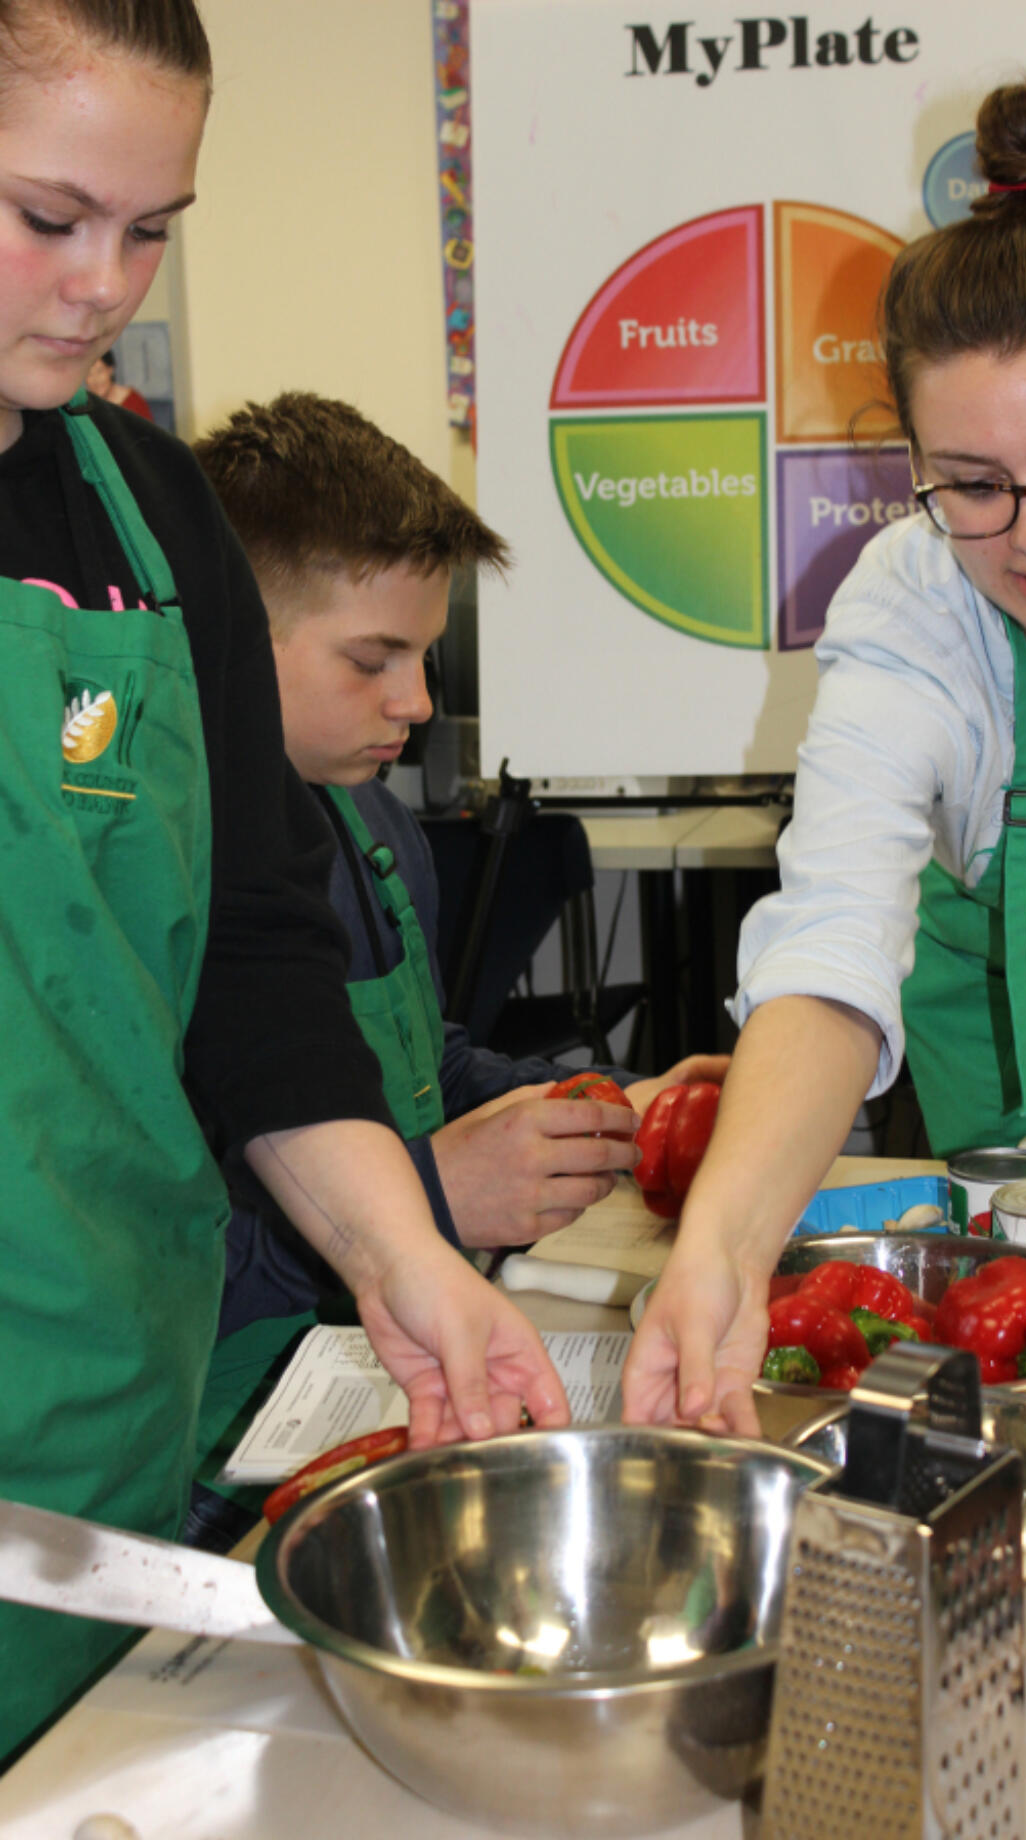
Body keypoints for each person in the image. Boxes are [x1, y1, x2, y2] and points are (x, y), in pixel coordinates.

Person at [0, 0, 567, 1762]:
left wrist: (401, 1263)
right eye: (47, 217)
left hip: (107, 1401)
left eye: (151, 229)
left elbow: (249, 954)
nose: (106, 285)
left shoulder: (155, 513)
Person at [622, 77, 1026, 1433]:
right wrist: (718, 1257)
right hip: (1018, 1099)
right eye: (967, 482)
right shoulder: (909, 610)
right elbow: (832, 940)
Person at [191, 392, 724, 1382]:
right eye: (371, 659)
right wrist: (428, 1196)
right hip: (217, 1427)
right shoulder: (165, 882)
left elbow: (421, 1068)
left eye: (424, 653)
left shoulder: (378, 826)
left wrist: (608, 1107)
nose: (417, 702)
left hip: (397, 1361)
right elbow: (164, 1272)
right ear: (226, 629)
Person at [86, 345, 154, 418]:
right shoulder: (84, 406)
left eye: (100, 371)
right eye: (89, 374)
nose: (96, 380)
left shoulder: (134, 403)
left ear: (110, 370)